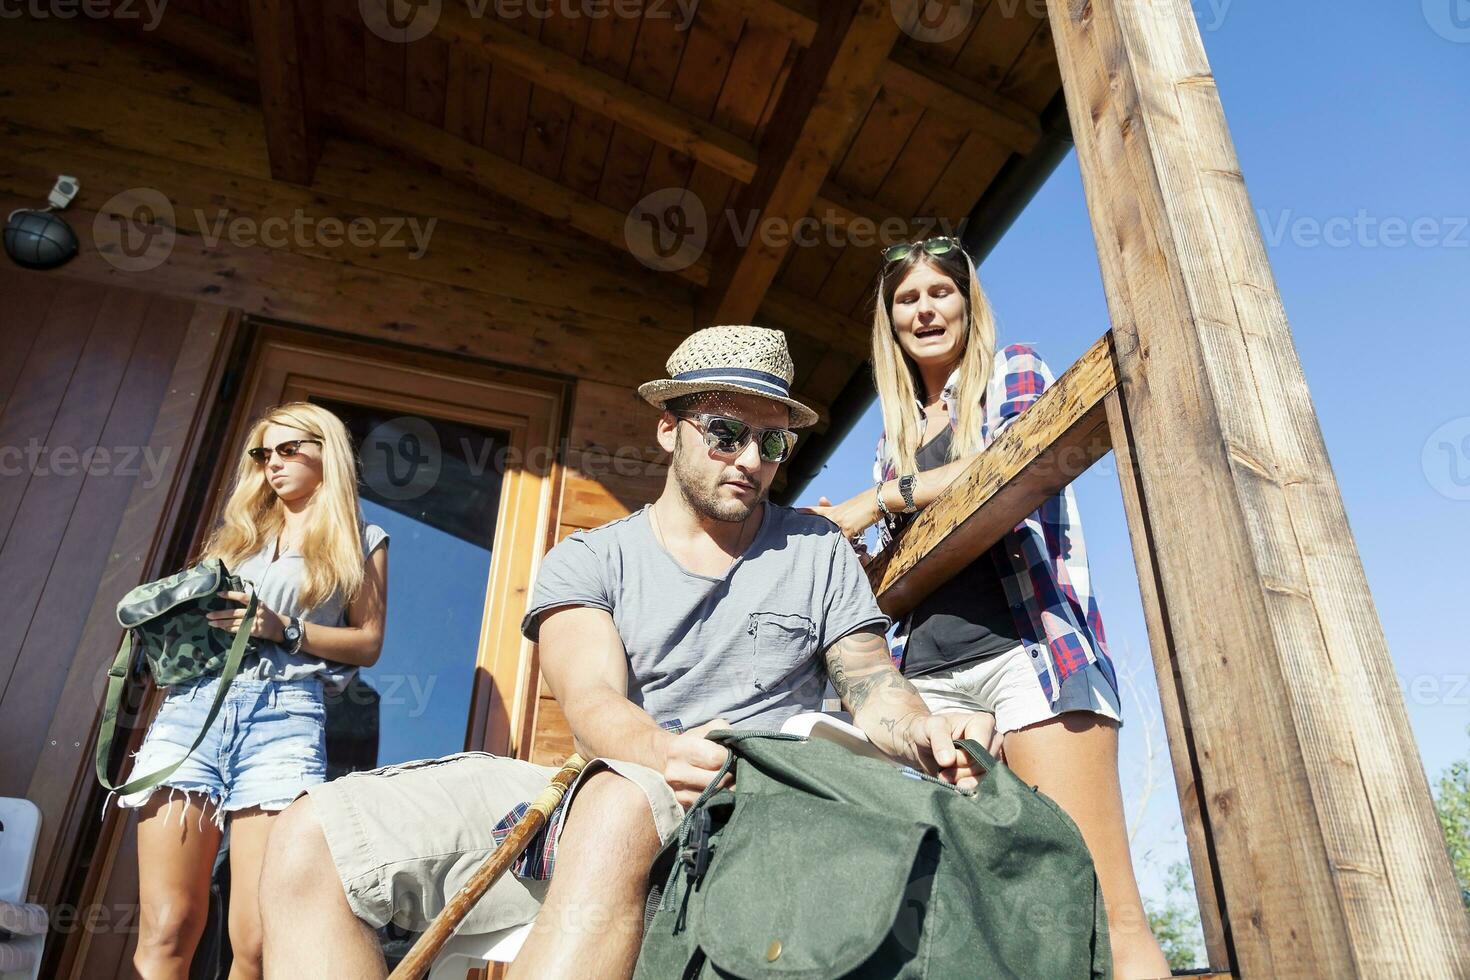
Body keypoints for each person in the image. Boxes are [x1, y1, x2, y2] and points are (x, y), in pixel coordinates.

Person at [257, 325, 992, 979]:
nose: (751, 460)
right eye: (727, 432)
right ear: (668, 429)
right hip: (596, 783)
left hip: (748, 803)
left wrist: (919, 728)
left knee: (619, 802)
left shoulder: (816, 549)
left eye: (773, 443)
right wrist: (661, 750)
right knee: (310, 834)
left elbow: (872, 683)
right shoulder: (588, 558)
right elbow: (592, 705)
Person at [806, 237, 1173, 979]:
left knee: (1103, 910)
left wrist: (878, 498)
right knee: (981, 917)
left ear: (968, 304)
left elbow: (1010, 458)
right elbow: (910, 564)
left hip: (1028, 658)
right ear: (892, 324)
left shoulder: (1015, 370)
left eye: (940, 292)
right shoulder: (894, 437)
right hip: (929, 680)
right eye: (907, 300)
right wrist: (847, 545)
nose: (925, 309)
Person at [117, 402, 390, 980]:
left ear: (327, 454)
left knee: (259, 941)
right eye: (263, 453)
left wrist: (284, 628)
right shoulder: (238, 537)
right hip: (194, 712)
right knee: (167, 929)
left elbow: (367, 643)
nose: (273, 464)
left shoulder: (363, 538)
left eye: (289, 450)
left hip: (284, 720)